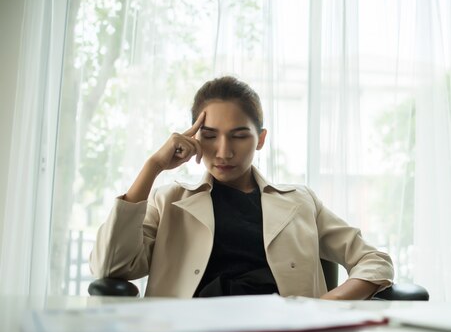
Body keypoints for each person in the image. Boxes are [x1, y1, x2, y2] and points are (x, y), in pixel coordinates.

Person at [90, 76, 393, 299]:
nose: (224, 152)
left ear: (260, 139)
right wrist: (153, 167)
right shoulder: (168, 200)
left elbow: (374, 261)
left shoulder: (301, 202)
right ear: (193, 138)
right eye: (209, 135)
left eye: (239, 136)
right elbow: (110, 265)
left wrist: (330, 304)